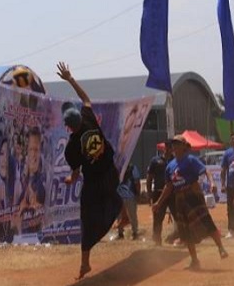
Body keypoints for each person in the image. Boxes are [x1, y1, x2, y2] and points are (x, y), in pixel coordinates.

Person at [58, 62, 123, 280]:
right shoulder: (88, 117)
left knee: (87, 219)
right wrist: (70, 79)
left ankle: (85, 263)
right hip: (109, 172)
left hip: (94, 182)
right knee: (117, 197)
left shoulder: (71, 148)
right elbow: (86, 99)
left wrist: (69, 178)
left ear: (68, 127)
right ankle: (124, 217)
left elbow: (76, 173)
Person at [153, 134, 228, 270]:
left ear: (184, 146)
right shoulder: (170, 166)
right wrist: (158, 203)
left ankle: (221, 248)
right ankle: (195, 260)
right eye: (173, 144)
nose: (174, 146)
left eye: (177, 144)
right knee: (185, 231)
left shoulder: (191, 160)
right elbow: (168, 186)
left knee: (206, 222)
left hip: (193, 196)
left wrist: (212, 183)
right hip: (179, 199)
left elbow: (205, 171)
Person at [16, 127, 45, 234]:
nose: (33, 154)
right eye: (30, 150)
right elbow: (16, 219)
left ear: (40, 151)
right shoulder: (24, 182)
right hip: (25, 243)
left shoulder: (44, 180)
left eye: (36, 150)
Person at [147, 142, 173, 246]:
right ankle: (157, 240)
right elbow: (149, 177)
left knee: (178, 215)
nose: (169, 149)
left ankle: (182, 238)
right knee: (158, 217)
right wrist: (149, 193)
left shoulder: (175, 160)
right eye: (168, 147)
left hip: (173, 193)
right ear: (164, 148)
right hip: (158, 192)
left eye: (171, 148)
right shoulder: (155, 161)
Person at [220, 132, 234, 238]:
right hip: (231, 186)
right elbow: (223, 170)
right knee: (231, 208)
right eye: (232, 139)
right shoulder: (227, 153)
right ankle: (231, 230)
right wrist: (223, 184)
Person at [116, 162, 141, 240]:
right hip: (120, 196)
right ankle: (120, 233)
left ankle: (135, 232)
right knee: (119, 215)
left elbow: (137, 182)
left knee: (132, 215)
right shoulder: (117, 168)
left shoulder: (132, 168)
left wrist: (137, 194)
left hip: (130, 196)